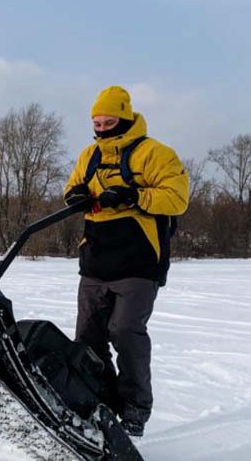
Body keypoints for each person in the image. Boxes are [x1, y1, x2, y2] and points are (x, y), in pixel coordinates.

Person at [64, 85, 189, 437]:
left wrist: (133, 195)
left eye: (108, 121)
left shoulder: (155, 153)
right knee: (87, 337)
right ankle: (97, 399)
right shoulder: (89, 155)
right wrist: (75, 195)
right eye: (97, 122)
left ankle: (134, 407)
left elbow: (176, 198)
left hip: (138, 260)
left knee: (125, 331)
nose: (101, 128)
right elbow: (73, 186)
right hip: (96, 259)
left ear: (125, 117)